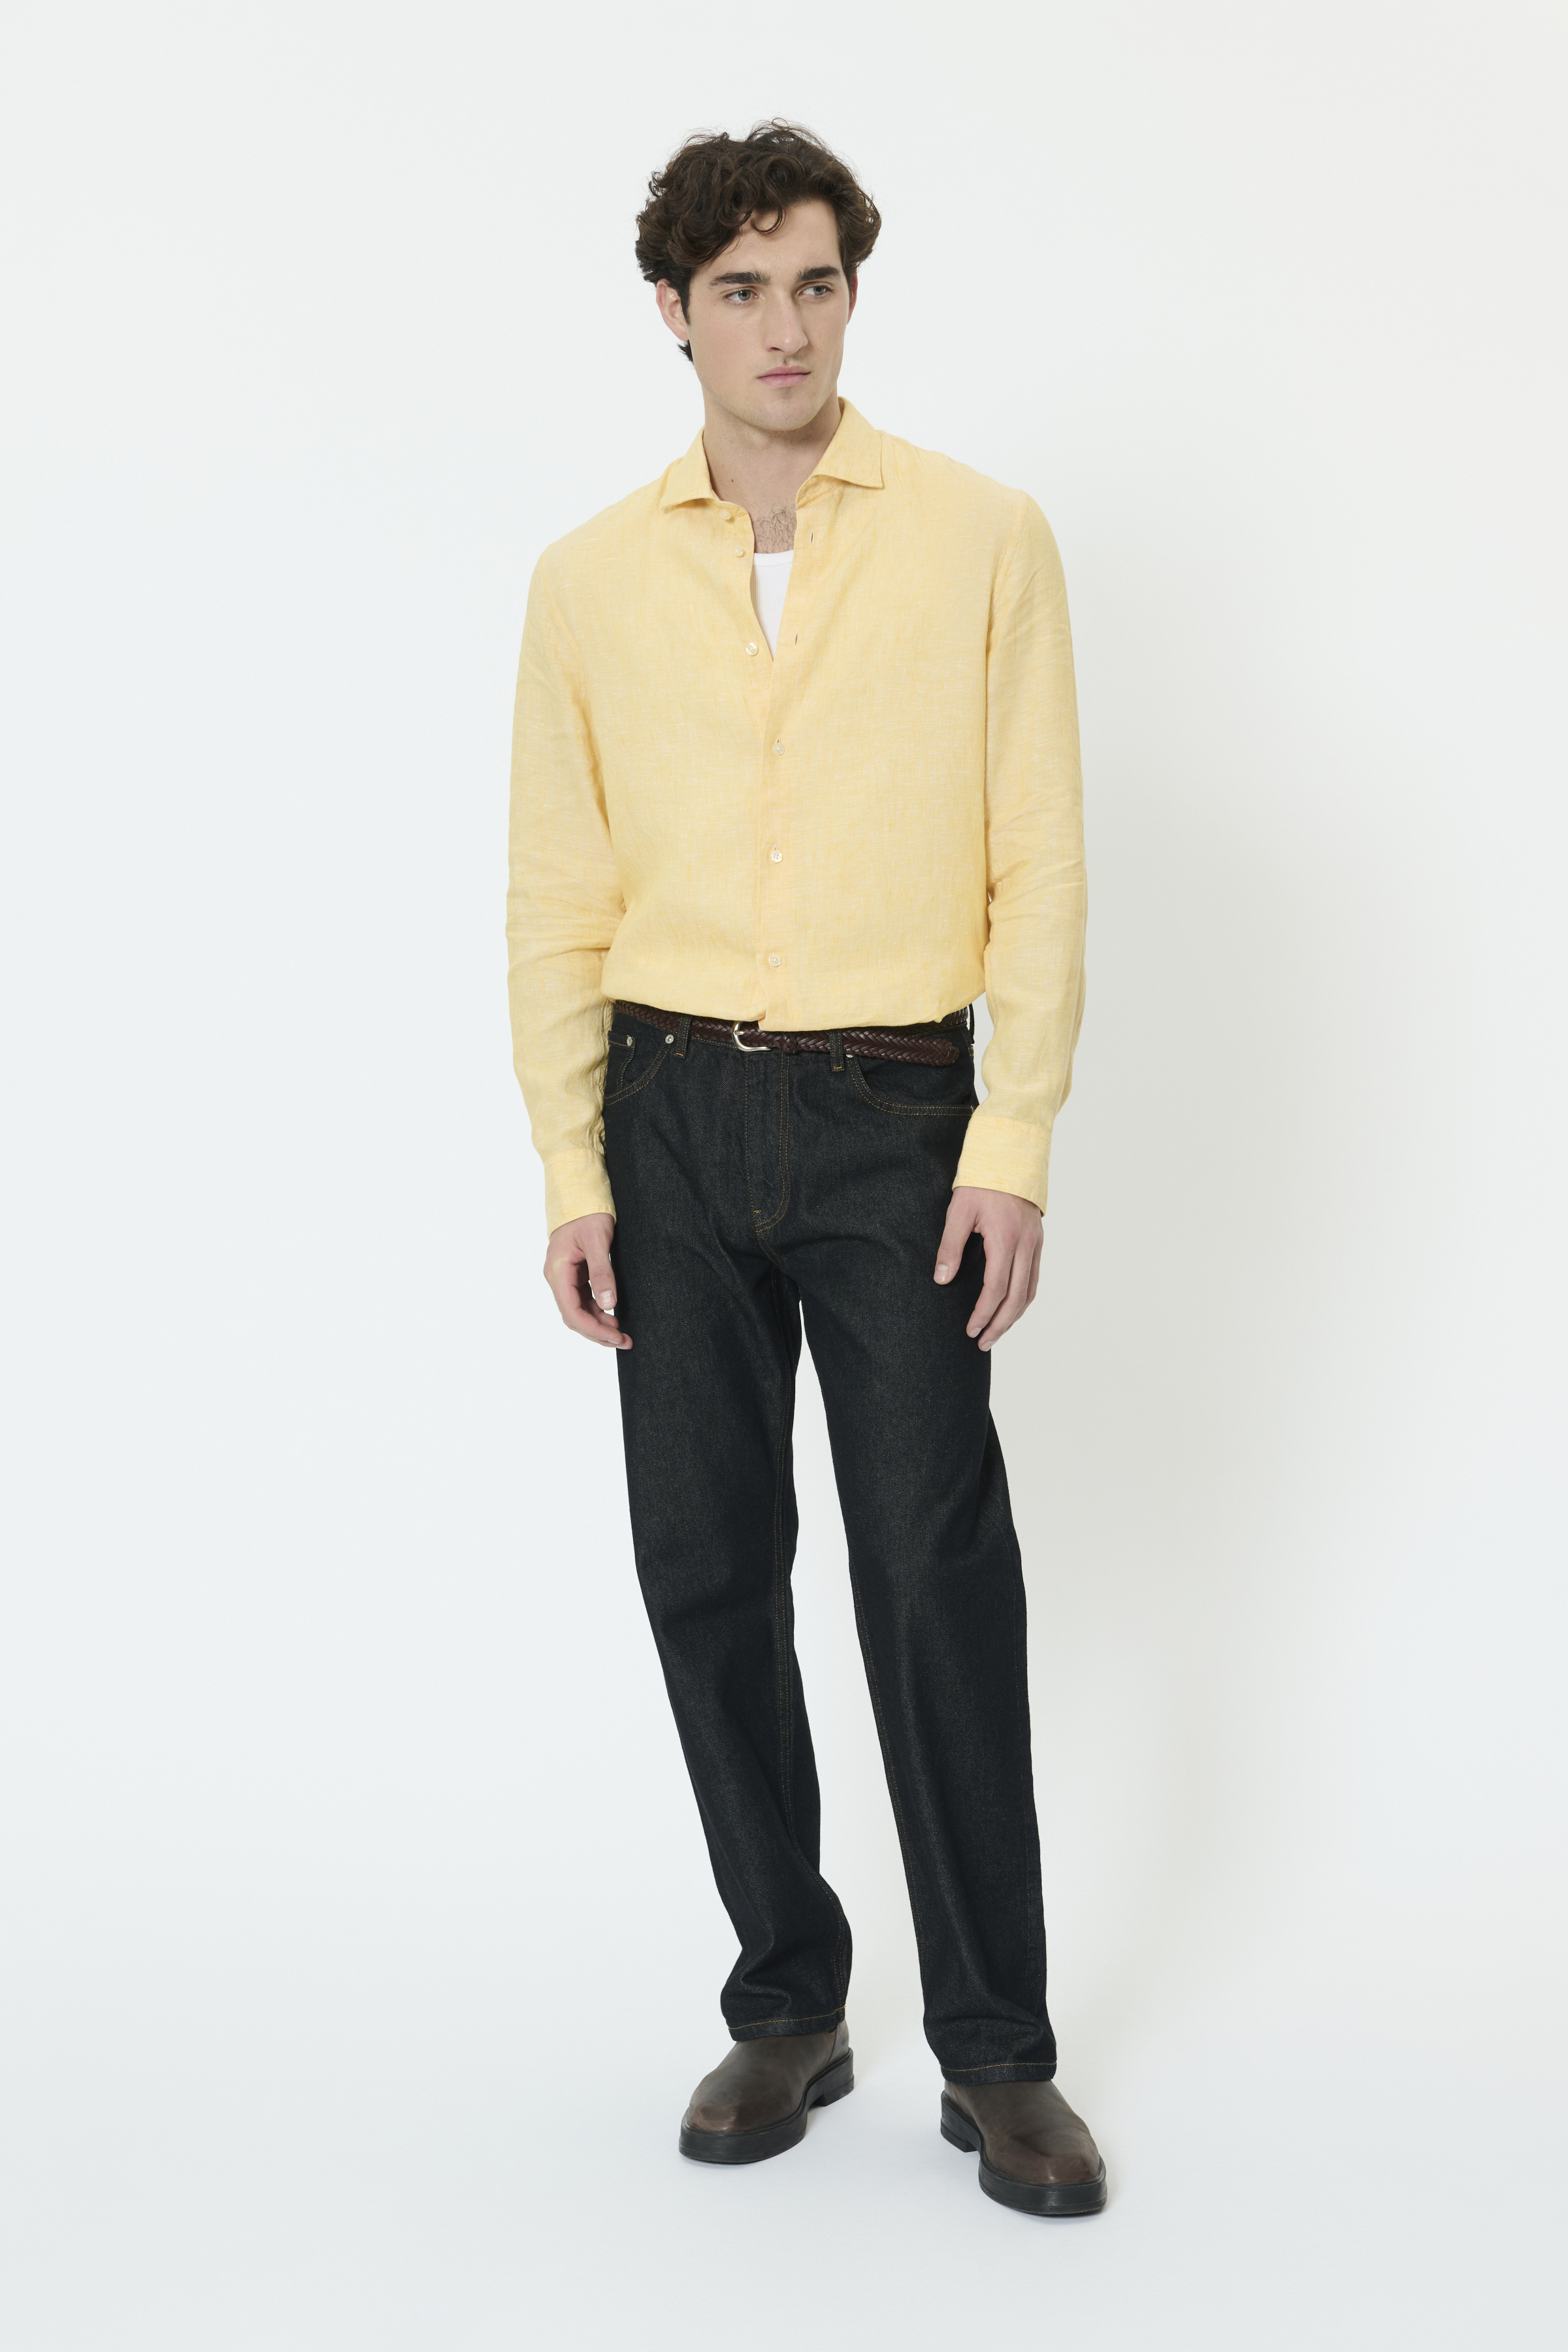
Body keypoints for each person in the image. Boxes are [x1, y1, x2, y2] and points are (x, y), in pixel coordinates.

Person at [506, 120, 1103, 2218]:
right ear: (674, 312)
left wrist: (1011, 1137)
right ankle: (789, 1998)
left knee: (935, 1576)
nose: (785, 326)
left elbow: (1041, 860)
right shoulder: (588, 579)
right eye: (742, 289)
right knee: (703, 1566)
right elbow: (558, 892)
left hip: (894, 1114)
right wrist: (573, 1166)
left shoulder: (981, 538)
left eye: (818, 283)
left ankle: (998, 2053)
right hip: (666, 1116)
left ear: (855, 296)